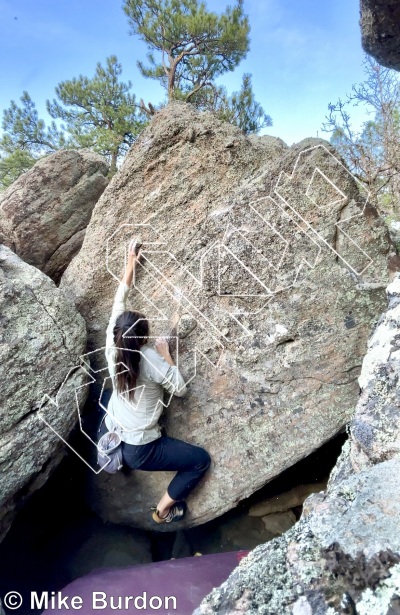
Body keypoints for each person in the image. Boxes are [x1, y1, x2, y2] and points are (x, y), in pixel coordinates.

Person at [99, 237, 211, 524]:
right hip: (140, 448)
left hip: (111, 426)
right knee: (200, 461)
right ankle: (162, 512)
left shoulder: (114, 345)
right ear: (144, 338)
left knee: (106, 400)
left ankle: (114, 457)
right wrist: (167, 354)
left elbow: (118, 301)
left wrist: (130, 264)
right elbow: (181, 390)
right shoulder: (149, 359)